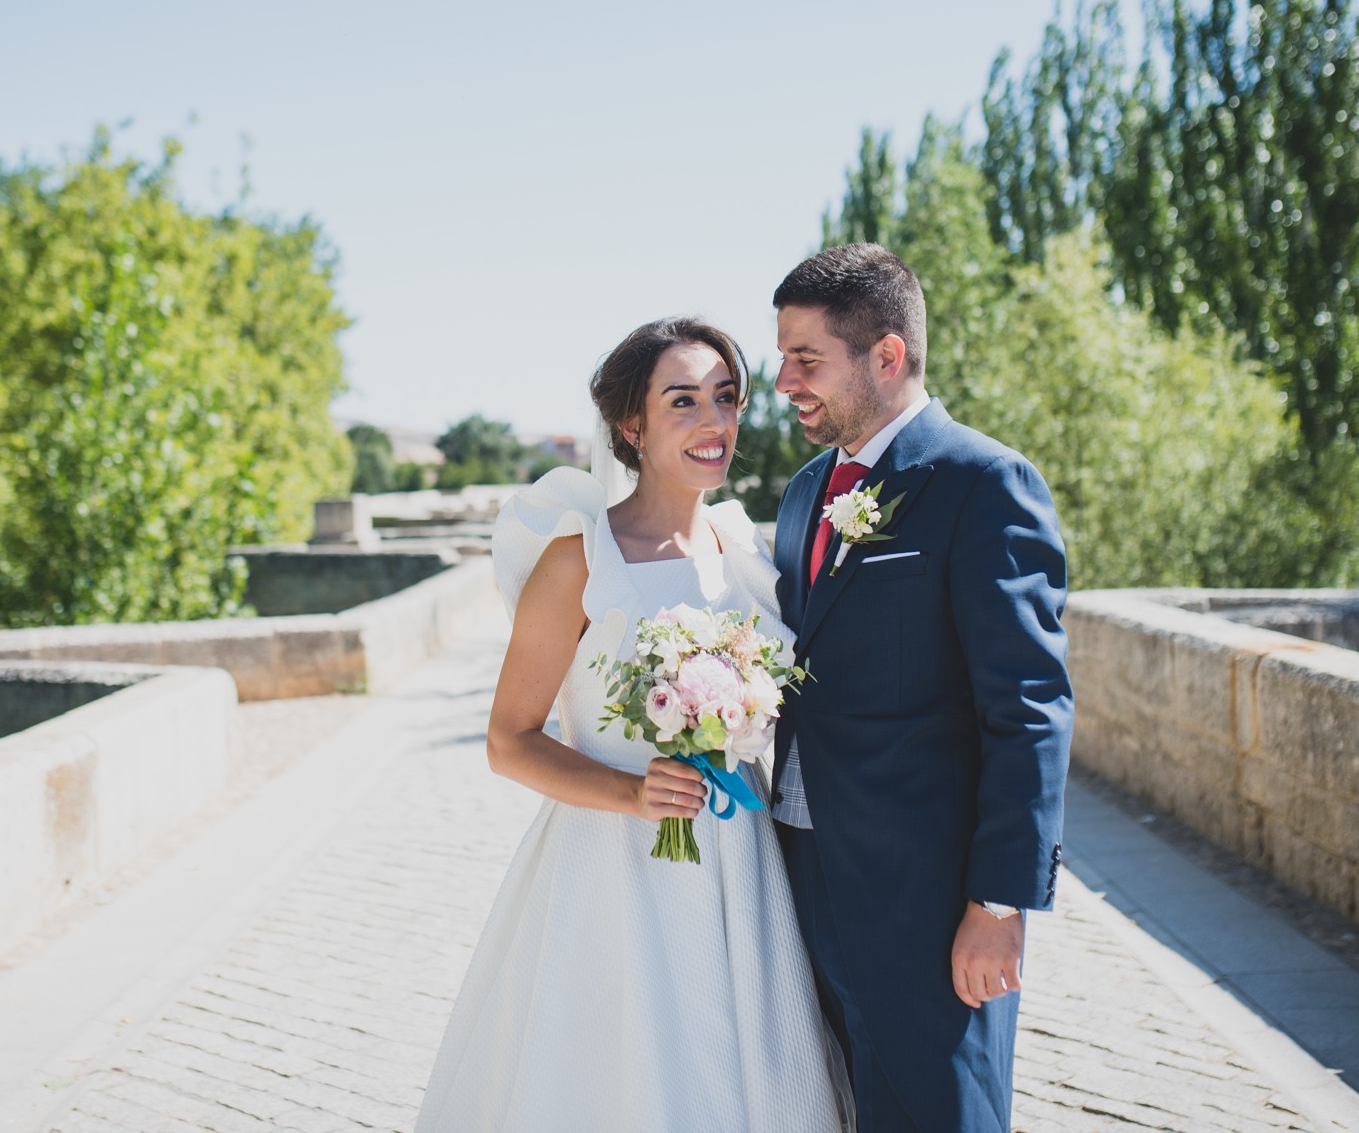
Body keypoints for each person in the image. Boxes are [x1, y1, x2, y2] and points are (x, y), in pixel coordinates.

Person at [416, 316, 851, 1133]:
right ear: (632, 425)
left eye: (725, 398)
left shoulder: (742, 544)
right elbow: (509, 739)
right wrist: (632, 791)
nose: (713, 421)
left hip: (738, 857)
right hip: (610, 866)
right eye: (682, 401)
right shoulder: (579, 557)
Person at [769, 242, 1074, 1133]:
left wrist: (998, 901)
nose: (783, 379)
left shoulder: (986, 485)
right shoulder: (800, 494)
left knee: (946, 1115)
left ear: (888, 356)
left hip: (928, 894)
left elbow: (1028, 709)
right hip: (799, 868)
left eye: (806, 359)